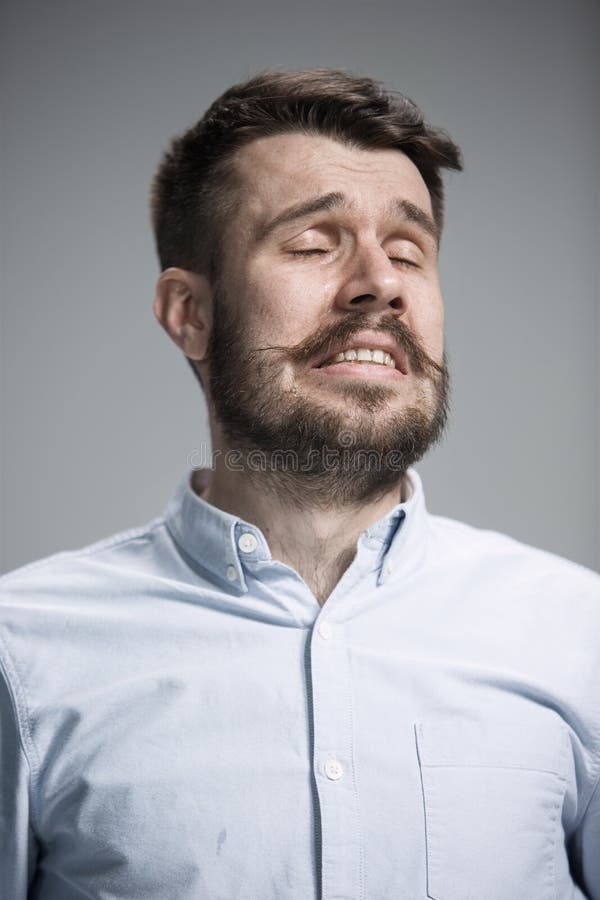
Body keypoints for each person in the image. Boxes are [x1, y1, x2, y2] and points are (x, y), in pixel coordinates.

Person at [0, 68, 598, 900]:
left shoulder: (581, 638)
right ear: (190, 313)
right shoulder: (20, 655)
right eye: (315, 245)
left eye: (407, 252)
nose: (380, 283)